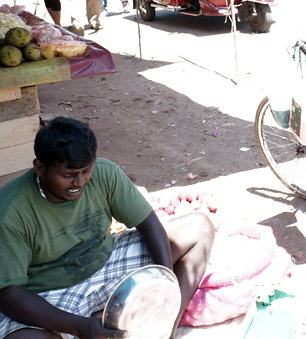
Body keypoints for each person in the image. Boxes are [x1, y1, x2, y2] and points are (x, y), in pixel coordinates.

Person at [0, 117, 213, 339]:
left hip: (108, 263)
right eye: (68, 175)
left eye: (86, 170)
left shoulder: (104, 173)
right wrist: (79, 326)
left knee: (199, 227)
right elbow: (10, 295)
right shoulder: (10, 210)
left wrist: (165, 283)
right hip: (50, 294)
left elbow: (149, 224)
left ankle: (165, 328)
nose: (80, 182)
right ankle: (93, 324)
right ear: (40, 168)